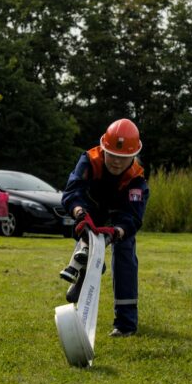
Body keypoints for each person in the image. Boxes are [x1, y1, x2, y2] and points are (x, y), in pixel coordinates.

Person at [59, 118, 150, 337]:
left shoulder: (137, 180)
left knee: (125, 257)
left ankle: (126, 324)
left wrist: (117, 232)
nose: (117, 162)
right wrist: (80, 214)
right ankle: (83, 272)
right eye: (113, 155)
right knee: (87, 242)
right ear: (103, 148)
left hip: (119, 221)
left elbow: (133, 216)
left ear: (133, 156)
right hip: (91, 212)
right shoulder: (89, 161)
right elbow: (72, 192)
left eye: (123, 158)